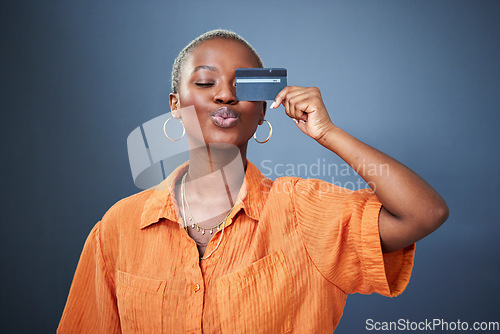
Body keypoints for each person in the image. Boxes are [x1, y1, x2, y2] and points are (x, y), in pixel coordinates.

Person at [57, 29, 449, 334]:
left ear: (262, 110)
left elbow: (425, 212)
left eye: (242, 87)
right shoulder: (118, 228)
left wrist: (327, 132)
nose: (225, 95)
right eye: (206, 83)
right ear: (175, 105)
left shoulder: (303, 213)